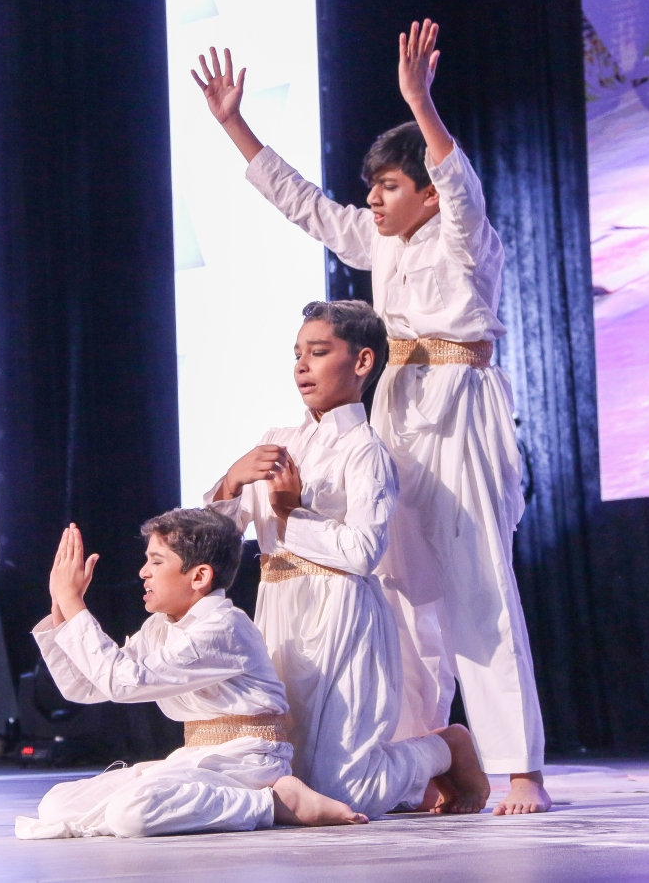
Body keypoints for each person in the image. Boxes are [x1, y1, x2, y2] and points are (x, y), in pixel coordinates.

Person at [193, 19, 549, 814]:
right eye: (374, 187)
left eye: (390, 186)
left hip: (459, 411)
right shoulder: (378, 242)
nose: (374, 200)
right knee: (398, 590)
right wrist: (234, 127)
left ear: (424, 190)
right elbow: (306, 207)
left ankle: (519, 764)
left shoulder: (466, 240)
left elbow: (459, 187)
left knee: (477, 588)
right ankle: (428, 756)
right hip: (397, 412)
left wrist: (420, 104)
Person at [207, 300, 489, 818]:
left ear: (361, 363)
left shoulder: (365, 450)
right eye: (297, 354)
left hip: (342, 616)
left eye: (318, 352)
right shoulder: (275, 442)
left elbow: (362, 552)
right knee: (290, 773)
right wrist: (229, 481)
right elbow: (217, 545)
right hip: (278, 611)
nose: (301, 366)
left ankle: (446, 747)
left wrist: (292, 515)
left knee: (345, 793)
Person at [14, 509, 367, 839]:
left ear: (199, 576)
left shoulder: (223, 627)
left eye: (156, 561)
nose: (143, 572)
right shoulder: (159, 627)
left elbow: (123, 681)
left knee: (130, 814)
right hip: (196, 758)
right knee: (56, 806)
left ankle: (274, 802)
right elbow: (88, 687)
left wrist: (75, 604)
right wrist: (60, 607)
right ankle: (218, 801)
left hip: (247, 761)